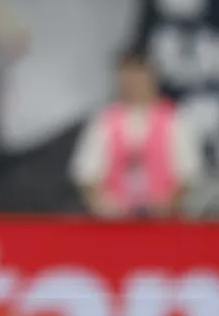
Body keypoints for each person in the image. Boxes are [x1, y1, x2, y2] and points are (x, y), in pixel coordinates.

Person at [69, 51, 202, 219]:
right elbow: (86, 174)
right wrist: (101, 203)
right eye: (126, 75)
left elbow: (188, 175)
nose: (132, 82)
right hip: (114, 224)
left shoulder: (175, 119)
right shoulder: (104, 120)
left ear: (152, 76)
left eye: (138, 74)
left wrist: (168, 203)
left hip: (163, 224)